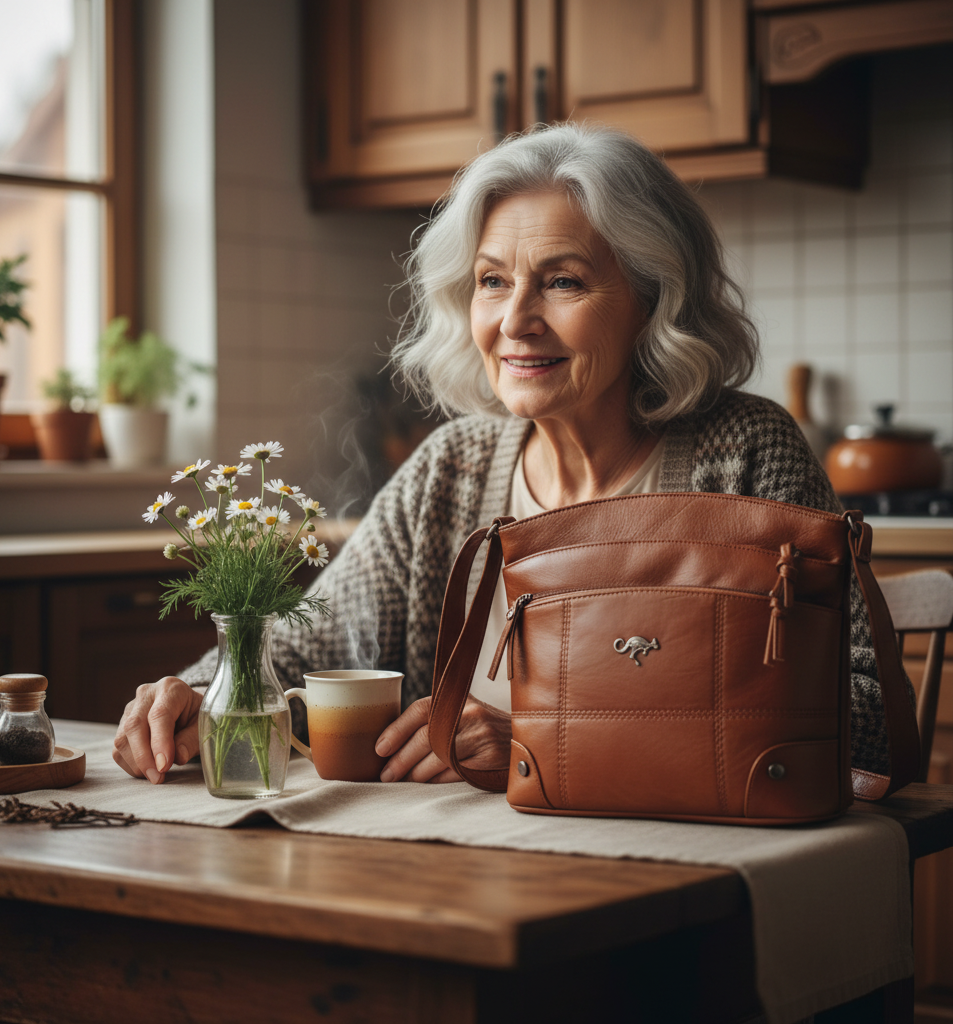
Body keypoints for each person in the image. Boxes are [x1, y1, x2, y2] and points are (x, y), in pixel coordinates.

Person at [113, 123, 894, 786]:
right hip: (467, 872)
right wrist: (196, 693)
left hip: (681, 874)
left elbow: (869, 714)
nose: (515, 320)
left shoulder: (747, 454)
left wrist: (541, 739)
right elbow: (303, 651)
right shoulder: (449, 470)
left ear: (654, 301)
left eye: (563, 281)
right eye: (492, 281)